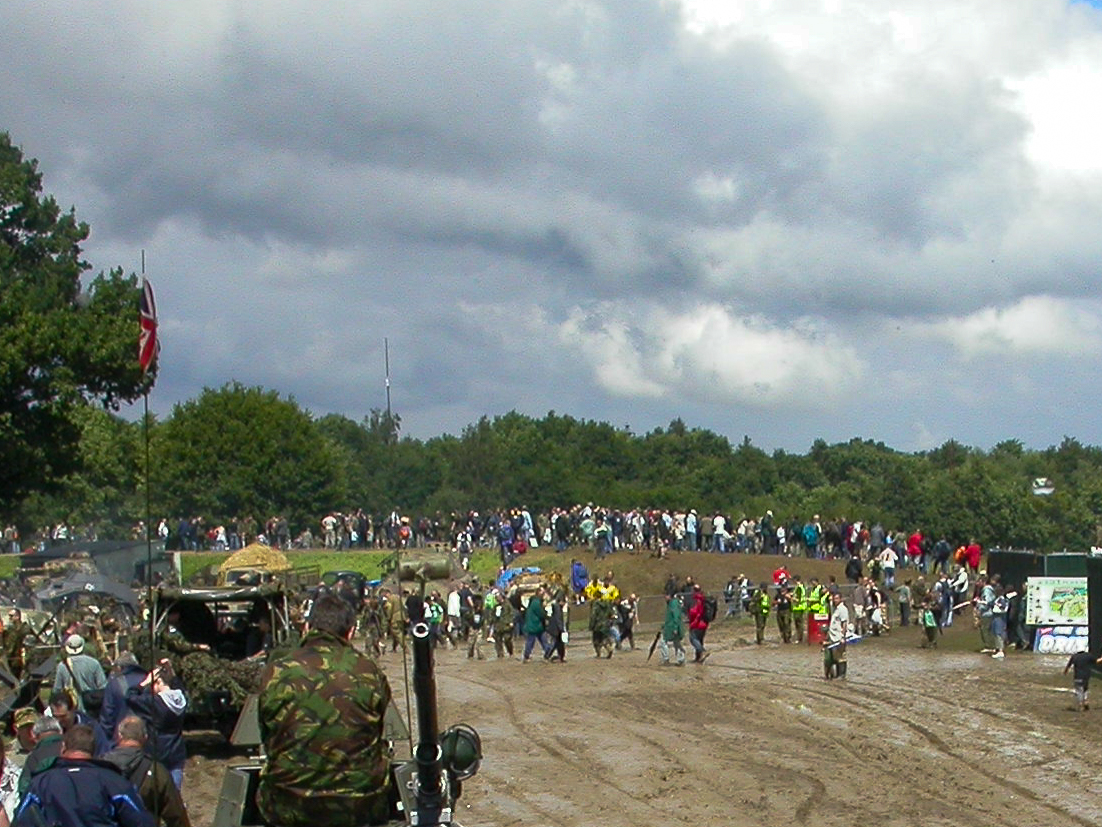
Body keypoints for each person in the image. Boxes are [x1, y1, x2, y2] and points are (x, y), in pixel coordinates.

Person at [258, 594, 392, 827]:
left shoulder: (276, 671)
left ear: (307, 627)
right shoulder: (369, 671)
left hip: (289, 807)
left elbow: (268, 736)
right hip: (359, 807)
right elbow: (377, 730)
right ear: (350, 632)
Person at [13, 724, 154, 827]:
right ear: (94, 750)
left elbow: (21, 820)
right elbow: (141, 821)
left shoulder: (40, 784)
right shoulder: (114, 782)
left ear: (63, 747)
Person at [103, 716, 191, 827]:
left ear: (119, 736)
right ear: (145, 737)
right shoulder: (156, 771)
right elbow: (176, 815)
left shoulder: (99, 768)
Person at [125, 663, 187, 790]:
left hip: (157, 752)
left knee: (154, 792)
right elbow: (178, 687)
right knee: (174, 793)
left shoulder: (154, 703)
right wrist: (171, 672)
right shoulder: (181, 699)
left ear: (158, 682)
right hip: (176, 752)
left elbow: (130, 697)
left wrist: (144, 683)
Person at [53, 634, 107, 713]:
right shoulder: (94, 663)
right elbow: (103, 687)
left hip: (72, 708)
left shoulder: (62, 666)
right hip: (92, 707)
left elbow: (57, 690)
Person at [823, 592, 850, 680]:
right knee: (834, 656)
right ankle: (836, 675)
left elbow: (844, 624)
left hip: (839, 637)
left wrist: (843, 637)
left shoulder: (842, 609)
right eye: (834, 599)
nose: (835, 600)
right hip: (833, 637)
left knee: (841, 657)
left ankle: (841, 675)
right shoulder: (835, 609)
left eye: (837, 599)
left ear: (840, 599)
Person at [658, 595, 686, 666]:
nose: (665, 597)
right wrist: (664, 625)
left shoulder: (673, 604)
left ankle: (666, 659)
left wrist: (675, 628)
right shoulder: (671, 603)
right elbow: (669, 617)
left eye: (666, 595)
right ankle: (680, 659)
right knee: (676, 643)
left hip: (672, 627)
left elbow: (676, 617)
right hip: (670, 626)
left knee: (664, 642)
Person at [687, 585, 710, 663]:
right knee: (699, 640)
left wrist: (691, 620)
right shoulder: (703, 598)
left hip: (697, 624)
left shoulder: (697, 600)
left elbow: (696, 612)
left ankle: (702, 651)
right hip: (704, 624)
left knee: (692, 638)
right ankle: (698, 658)